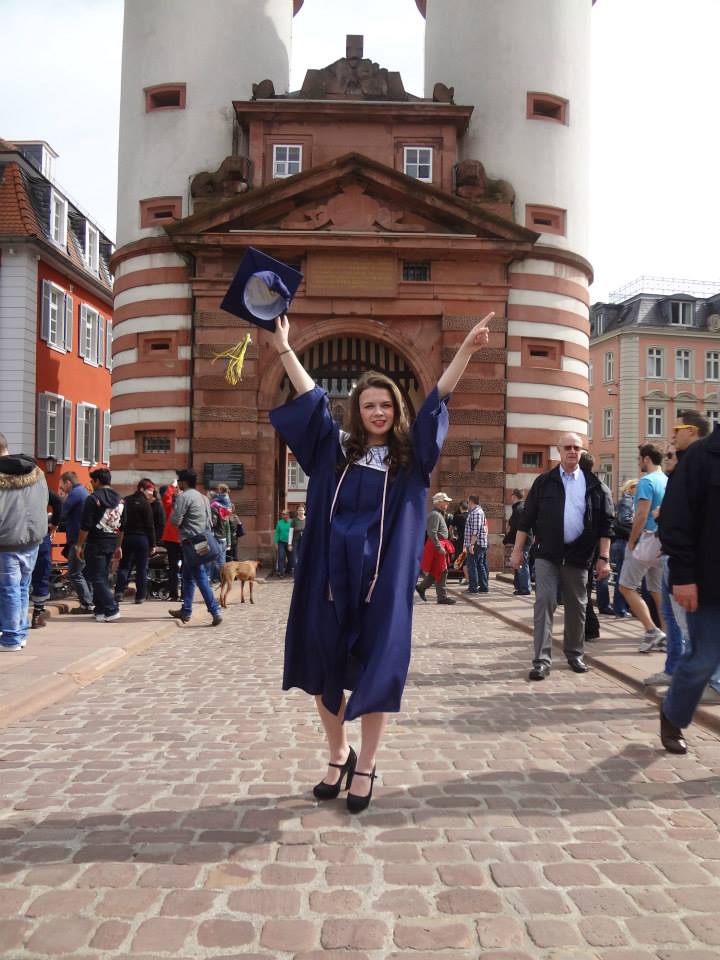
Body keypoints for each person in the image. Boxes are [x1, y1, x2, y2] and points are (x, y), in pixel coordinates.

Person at [269, 310, 493, 813]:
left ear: (396, 410)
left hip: (381, 585)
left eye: (385, 405)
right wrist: (283, 347)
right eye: (368, 405)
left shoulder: (411, 460)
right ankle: (338, 754)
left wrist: (467, 350)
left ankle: (366, 763)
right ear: (357, 410)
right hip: (330, 579)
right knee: (324, 666)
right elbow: (311, 399)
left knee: (377, 672)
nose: (377, 412)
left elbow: (438, 399)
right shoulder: (335, 453)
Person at [511, 432, 613, 681]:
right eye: (567, 447)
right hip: (547, 553)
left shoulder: (595, 485)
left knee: (577, 606)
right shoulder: (544, 481)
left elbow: (606, 525)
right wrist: (517, 550)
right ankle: (541, 661)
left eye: (577, 448)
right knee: (544, 602)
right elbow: (527, 519)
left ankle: (575, 654)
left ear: (582, 451)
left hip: (578, 555)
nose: (572, 451)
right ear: (559, 450)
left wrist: (604, 558)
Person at [657, 417, 720, 754]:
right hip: (710, 584)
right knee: (703, 660)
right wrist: (682, 576)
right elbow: (675, 519)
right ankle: (673, 714)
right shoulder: (701, 456)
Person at [0, 432, 49, 650]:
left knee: (9, 589)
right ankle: (20, 633)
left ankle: (11, 637)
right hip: (32, 538)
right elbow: (45, 501)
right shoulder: (36, 472)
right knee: (21, 587)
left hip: (6, 539)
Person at [618, 443, 668, 653]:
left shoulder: (646, 481)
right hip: (663, 541)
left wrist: (632, 541)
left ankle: (651, 630)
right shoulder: (667, 480)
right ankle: (668, 636)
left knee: (626, 586)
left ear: (646, 459)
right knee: (657, 591)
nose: (639, 462)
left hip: (646, 539)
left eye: (639, 459)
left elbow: (641, 514)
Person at [169, 469, 222, 626]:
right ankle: (186, 610)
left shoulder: (184, 497)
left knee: (199, 576)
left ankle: (215, 610)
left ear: (184, 482)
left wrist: (175, 504)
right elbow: (209, 522)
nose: (178, 484)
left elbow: (175, 521)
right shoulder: (203, 497)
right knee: (188, 576)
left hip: (191, 542)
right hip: (203, 539)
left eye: (179, 481)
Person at [75, 468, 124, 623]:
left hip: (96, 541)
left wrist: (79, 545)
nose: (91, 483)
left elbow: (85, 525)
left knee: (96, 577)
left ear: (97, 481)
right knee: (102, 576)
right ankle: (100, 610)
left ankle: (111, 608)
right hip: (112, 539)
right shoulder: (120, 500)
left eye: (92, 481)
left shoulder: (93, 499)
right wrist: (118, 546)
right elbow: (123, 526)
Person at [596, 478, 636, 617]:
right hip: (621, 541)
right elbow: (624, 520)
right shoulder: (628, 500)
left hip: (613, 540)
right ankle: (619, 608)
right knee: (621, 576)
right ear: (631, 488)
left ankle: (608, 606)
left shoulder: (623, 501)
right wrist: (639, 522)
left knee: (607, 573)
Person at [114, 478, 157, 605]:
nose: (151, 493)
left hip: (126, 537)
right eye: (149, 490)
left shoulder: (126, 500)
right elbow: (150, 525)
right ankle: (140, 596)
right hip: (142, 539)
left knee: (124, 566)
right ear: (141, 489)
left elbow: (120, 520)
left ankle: (119, 592)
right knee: (141, 568)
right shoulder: (146, 504)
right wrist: (153, 543)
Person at [59, 471, 94, 613]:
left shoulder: (75, 494)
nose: (62, 489)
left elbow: (63, 512)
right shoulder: (83, 492)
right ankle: (90, 601)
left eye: (62, 485)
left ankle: (87, 604)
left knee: (74, 572)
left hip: (77, 539)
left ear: (68, 482)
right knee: (84, 573)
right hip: (85, 538)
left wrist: (61, 500)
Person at [416, 492, 457, 605]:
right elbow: (432, 533)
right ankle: (442, 597)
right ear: (439, 502)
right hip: (437, 545)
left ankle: (422, 587)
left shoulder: (438, 514)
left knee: (437, 570)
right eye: (445, 501)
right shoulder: (435, 515)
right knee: (442, 570)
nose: (448, 503)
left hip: (439, 544)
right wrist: (439, 547)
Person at [30, 486, 62, 628]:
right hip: (39, 534)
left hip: (13, 536)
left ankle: (14, 618)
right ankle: (37, 615)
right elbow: (58, 502)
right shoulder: (39, 487)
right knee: (41, 573)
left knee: (13, 578)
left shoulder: (7, 484)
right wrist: (54, 523)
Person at [504, 488, 531, 595]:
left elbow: (516, 528)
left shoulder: (519, 509)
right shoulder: (521, 507)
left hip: (522, 540)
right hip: (524, 539)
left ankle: (524, 588)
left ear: (514, 496)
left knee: (521, 563)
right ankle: (520, 587)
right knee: (519, 563)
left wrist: (507, 539)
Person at [160, 481, 182, 603]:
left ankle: (179, 594)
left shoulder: (172, 508)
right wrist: (172, 486)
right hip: (175, 539)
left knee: (177, 568)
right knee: (176, 568)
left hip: (178, 539)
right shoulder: (171, 507)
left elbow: (166, 497)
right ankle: (176, 594)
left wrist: (173, 487)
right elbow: (166, 497)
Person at [463, 495, 488, 595]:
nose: (467, 504)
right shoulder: (477, 512)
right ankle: (483, 587)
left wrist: (471, 544)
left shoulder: (476, 513)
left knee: (472, 565)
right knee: (479, 565)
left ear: (471, 502)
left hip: (476, 544)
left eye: (468, 502)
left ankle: (473, 588)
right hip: (478, 543)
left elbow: (475, 530)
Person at [274, 509, 293, 577]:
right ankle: (281, 572)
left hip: (290, 543)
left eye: (285, 514)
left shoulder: (292, 522)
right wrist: (276, 543)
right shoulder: (279, 522)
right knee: (281, 556)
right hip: (281, 542)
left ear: (288, 515)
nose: (284, 515)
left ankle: (288, 570)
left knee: (291, 558)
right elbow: (277, 533)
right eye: (283, 514)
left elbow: (294, 532)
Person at [292, 504, 306, 570]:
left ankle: (303, 569)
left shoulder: (307, 519)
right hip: (295, 540)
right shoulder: (294, 520)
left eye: (302, 510)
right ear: (297, 511)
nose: (301, 511)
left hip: (304, 541)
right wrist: (289, 544)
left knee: (304, 554)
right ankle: (297, 570)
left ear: (304, 511)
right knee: (295, 556)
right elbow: (291, 532)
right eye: (299, 510)